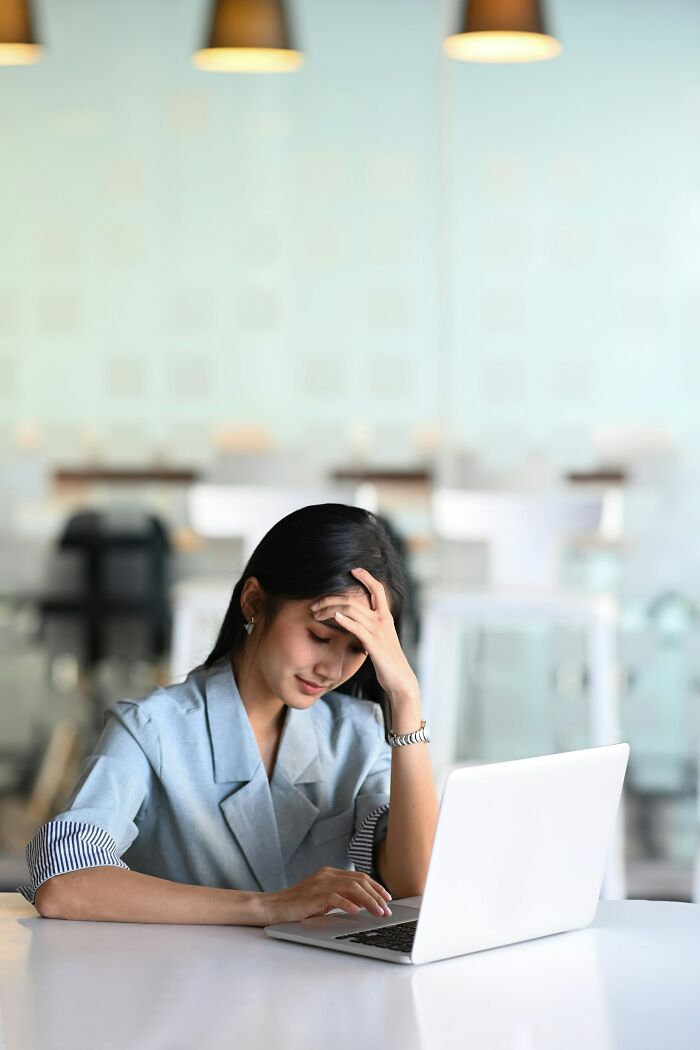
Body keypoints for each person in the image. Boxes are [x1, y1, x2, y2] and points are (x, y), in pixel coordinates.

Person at [21, 504, 439, 926]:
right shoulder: (152, 729)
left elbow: (414, 885)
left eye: (357, 649)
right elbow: (64, 882)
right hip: (181, 985)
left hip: (313, 986)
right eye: (319, 636)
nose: (331, 669)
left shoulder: (357, 732)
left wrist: (406, 699)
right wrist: (268, 906)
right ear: (254, 602)